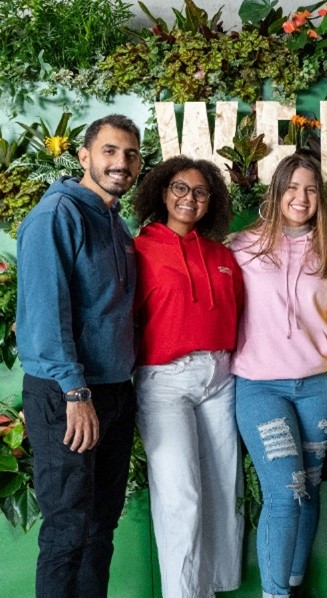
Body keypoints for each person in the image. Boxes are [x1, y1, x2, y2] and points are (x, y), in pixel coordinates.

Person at [16, 114, 141, 597]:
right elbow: (47, 314)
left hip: (112, 392)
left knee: (100, 525)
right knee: (68, 528)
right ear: (84, 156)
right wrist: (75, 390)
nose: (120, 162)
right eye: (109, 151)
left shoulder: (116, 222)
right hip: (67, 394)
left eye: (130, 154)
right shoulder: (57, 215)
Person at [230, 151, 327, 598]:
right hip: (261, 387)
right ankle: (275, 594)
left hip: (319, 385)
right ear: (277, 192)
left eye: (312, 190)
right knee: (285, 492)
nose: (302, 198)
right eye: (293, 188)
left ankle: (294, 585)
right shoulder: (242, 246)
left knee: (310, 489)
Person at [131, 156, 245, 597]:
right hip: (165, 380)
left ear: (209, 201)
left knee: (221, 488)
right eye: (180, 188)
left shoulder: (221, 255)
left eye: (200, 192)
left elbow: (239, 311)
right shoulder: (139, 249)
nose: (189, 198)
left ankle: (214, 585)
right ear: (162, 193)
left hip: (219, 376)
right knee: (180, 496)